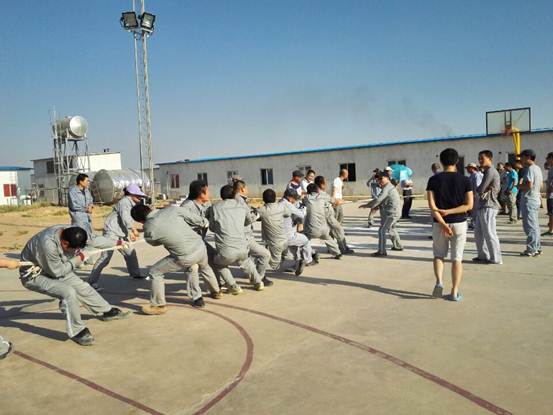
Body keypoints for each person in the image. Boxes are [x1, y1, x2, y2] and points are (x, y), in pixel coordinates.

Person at [19, 226, 131, 345]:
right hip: (35, 275)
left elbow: (94, 239)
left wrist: (117, 243)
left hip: (57, 268)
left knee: (82, 287)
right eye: (74, 249)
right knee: (68, 293)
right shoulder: (48, 245)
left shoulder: (72, 232)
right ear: (65, 243)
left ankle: (107, 311)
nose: (75, 251)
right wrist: (78, 259)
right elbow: (57, 272)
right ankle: (77, 331)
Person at [131, 204, 221, 313]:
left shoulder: (149, 228)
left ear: (140, 221)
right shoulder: (172, 209)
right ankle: (215, 292)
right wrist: (203, 222)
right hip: (200, 246)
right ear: (150, 208)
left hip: (184, 256)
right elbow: (196, 219)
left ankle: (158, 305)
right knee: (204, 267)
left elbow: (154, 243)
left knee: (155, 272)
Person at [426, 148, 473, 302]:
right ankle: (454, 291)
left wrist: (443, 223)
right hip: (459, 223)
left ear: (441, 161)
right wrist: (450, 211)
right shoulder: (465, 180)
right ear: (457, 161)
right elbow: (469, 205)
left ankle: (439, 282)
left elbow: (432, 206)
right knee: (457, 258)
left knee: (439, 255)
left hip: (439, 224)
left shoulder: (433, 180)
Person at [207, 185, 265, 291]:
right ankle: (258, 282)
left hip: (226, 250)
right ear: (234, 194)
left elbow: (212, 227)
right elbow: (248, 221)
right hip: (242, 246)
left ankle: (233, 286)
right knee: (246, 261)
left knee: (218, 263)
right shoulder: (241, 205)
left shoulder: (215, 207)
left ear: (221, 196)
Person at [88, 184, 147, 290]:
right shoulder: (124, 202)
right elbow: (125, 218)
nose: (140, 197)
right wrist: (133, 229)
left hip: (121, 233)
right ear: (131, 194)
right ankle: (91, 282)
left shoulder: (132, 203)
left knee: (130, 253)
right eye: (138, 195)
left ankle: (135, 274)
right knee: (105, 258)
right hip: (111, 232)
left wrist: (129, 232)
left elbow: (127, 219)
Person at [180, 180, 228, 292]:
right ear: (201, 193)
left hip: (200, 240)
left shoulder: (206, 204)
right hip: (188, 243)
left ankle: (218, 285)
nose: (209, 193)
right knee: (193, 267)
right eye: (207, 191)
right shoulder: (186, 208)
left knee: (214, 257)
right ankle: (195, 295)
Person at [257, 188, 307, 276]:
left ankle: (257, 271)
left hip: (275, 243)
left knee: (274, 265)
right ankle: (299, 260)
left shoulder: (262, 210)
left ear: (263, 199)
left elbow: (253, 217)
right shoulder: (281, 207)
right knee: (284, 253)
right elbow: (289, 213)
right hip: (284, 240)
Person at [233, 180, 273, 287]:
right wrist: (257, 215)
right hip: (244, 237)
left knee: (258, 256)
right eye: (246, 188)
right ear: (242, 189)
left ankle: (257, 277)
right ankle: (258, 278)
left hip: (245, 236)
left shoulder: (239, 199)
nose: (247, 190)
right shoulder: (239, 201)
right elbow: (248, 218)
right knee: (265, 254)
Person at [360, 172, 402, 256]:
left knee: (382, 230)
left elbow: (379, 199)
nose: (379, 181)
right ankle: (398, 246)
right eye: (378, 179)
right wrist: (369, 205)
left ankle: (382, 251)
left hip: (391, 214)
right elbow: (379, 199)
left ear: (387, 178)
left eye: (381, 178)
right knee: (391, 228)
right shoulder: (387, 187)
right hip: (392, 213)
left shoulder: (387, 187)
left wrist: (368, 205)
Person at [472, 150, 502, 265]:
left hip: (489, 205)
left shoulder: (490, 171)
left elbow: (481, 189)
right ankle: (483, 256)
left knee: (490, 233)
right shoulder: (486, 171)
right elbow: (482, 188)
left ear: (490, 158)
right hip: (482, 205)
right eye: (479, 158)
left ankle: (496, 258)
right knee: (478, 233)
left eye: (482, 158)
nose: (480, 160)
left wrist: (480, 189)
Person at [314, 176, 354, 254]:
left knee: (329, 233)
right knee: (338, 230)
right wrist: (341, 201)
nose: (326, 185)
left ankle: (331, 249)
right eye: (325, 183)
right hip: (328, 216)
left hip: (322, 217)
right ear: (321, 184)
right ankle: (343, 249)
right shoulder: (322, 194)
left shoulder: (314, 193)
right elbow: (334, 201)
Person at [280, 188, 317, 269]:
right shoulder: (288, 205)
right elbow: (301, 215)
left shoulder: (280, 203)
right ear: (289, 197)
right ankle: (308, 261)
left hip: (280, 235)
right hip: (288, 236)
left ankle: (297, 264)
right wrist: (303, 207)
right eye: (294, 198)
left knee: (295, 246)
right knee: (305, 240)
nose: (295, 200)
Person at [303, 183, 342, 259]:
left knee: (304, 239)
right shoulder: (323, 197)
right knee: (328, 238)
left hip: (311, 230)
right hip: (324, 229)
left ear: (308, 191)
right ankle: (337, 253)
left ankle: (311, 253)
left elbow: (301, 201)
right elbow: (335, 201)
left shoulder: (306, 198)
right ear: (317, 190)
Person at [518, 149, 543, 256]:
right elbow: (541, 185)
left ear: (528, 157)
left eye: (522, 157)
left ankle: (531, 249)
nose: (521, 159)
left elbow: (529, 185)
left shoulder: (530, 169)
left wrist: (518, 186)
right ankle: (537, 247)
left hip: (529, 199)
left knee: (529, 226)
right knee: (535, 225)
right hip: (535, 198)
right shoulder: (538, 168)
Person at [68, 173, 94, 238]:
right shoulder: (72, 192)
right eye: (87, 181)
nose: (88, 183)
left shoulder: (86, 191)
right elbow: (73, 205)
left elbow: (91, 199)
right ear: (81, 182)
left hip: (87, 217)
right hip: (78, 218)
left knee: (88, 236)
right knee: (79, 236)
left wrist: (91, 206)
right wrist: (86, 209)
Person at [465, 163, 483, 229]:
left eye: (468, 168)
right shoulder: (472, 175)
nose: (467, 170)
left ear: (472, 168)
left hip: (476, 195)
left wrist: (475, 195)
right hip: (473, 195)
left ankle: (475, 224)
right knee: (473, 210)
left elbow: (477, 186)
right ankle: (473, 223)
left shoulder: (476, 175)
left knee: (476, 210)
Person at [543, 152, 553, 236]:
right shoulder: (551, 169)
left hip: (552, 195)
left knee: (551, 213)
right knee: (550, 213)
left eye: (548, 158)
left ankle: (551, 230)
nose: (547, 160)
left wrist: (550, 188)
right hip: (550, 195)